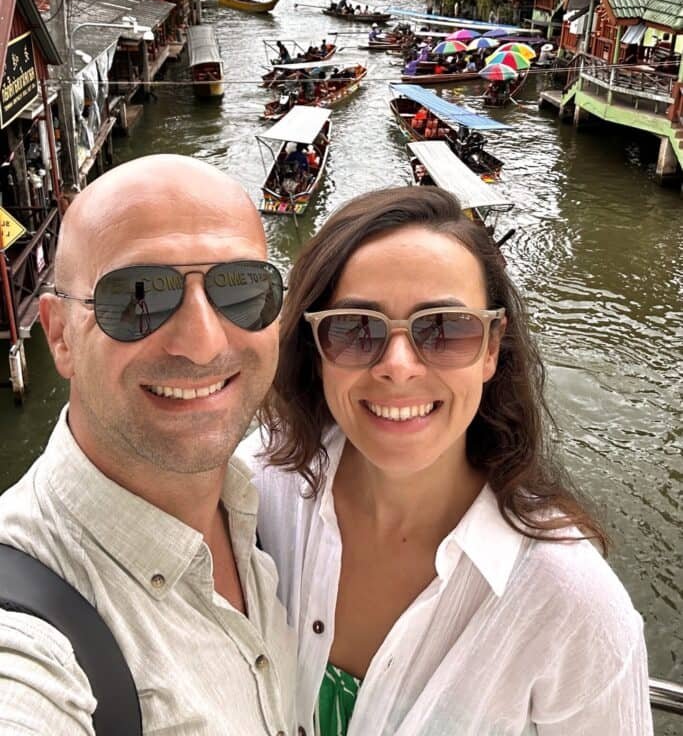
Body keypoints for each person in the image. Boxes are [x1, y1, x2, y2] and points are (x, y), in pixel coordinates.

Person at [241, 187, 652, 736]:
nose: (399, 367)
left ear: (490, 348)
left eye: (444, 329)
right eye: (356, 329)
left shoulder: (574, 604)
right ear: (316, 350)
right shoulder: (257, 489)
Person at [0, 155, 295, 734]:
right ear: (59, 335)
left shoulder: (277, 499)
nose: (202, 343)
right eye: (139, 296)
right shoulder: (28, 639)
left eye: (240, 289)